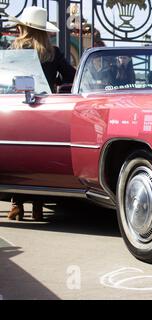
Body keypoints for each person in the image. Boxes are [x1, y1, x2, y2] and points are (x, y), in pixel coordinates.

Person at [7, 6, 76, 221]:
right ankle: (38, 206)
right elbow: (70, 76)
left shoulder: (14, 49)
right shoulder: (53, 52)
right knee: (39, 158)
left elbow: (7, 80)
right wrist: (53, 82)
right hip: (44, 109)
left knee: (18, 157)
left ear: (24, 28)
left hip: (17, 108)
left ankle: (17, 205)